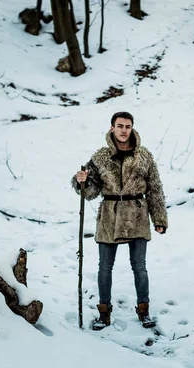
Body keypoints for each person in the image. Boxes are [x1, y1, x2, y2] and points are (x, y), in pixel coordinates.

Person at [72, 111, 168, 330]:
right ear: (112, 128)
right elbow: (91, 191)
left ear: (132, 128)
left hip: (137, 214)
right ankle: (104, 313)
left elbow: (155, 189)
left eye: (128, 126)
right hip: (109, 216)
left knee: (139, 267)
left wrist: (159, 218)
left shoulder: (144, 156)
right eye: (120, 126)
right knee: (105, 267)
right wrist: (81, 181)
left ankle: (144, 310)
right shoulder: (100, 157)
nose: (124, 130)